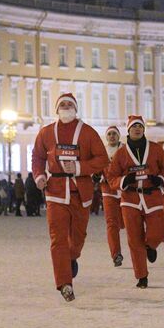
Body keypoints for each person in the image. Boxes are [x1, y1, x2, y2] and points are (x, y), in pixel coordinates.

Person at [32, 93, 109, 301]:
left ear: (75, 108)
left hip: (80, 193)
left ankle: (72, 257)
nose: (66, 107)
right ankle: (64, 284)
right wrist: (39, 176)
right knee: (58, 239)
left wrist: (79, 167)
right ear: (56, 109)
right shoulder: (46, 133)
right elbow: (38, 157)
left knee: (77, 238)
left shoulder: (87, 133)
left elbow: (102, 159)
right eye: (62, 105)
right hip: (55, 192)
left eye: (69, 104)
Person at [106, 116, 164, 289]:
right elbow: (111, 176)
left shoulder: (156, 149)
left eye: (140, 126)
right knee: (134, 239)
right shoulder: (121, 153)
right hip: (130, 200)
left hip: (152, 196)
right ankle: (141, 276)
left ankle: (151, 246)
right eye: (133, 126)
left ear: (143, 130)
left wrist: (161, 180)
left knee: (158, 232)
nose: (137, 129)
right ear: (128, 130)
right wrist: (123, 180)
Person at [101, 125, 126, 267]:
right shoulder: (102, 152)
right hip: (108, 191)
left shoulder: (125, 151)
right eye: (109, 134)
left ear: (118, 136)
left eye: (114, 134)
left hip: (124, 191)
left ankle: (140, 248)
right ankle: (116, 254)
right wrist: (99, 176)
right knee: (111, 223)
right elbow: (96, 168)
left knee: (128, 222)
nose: (112, 136)